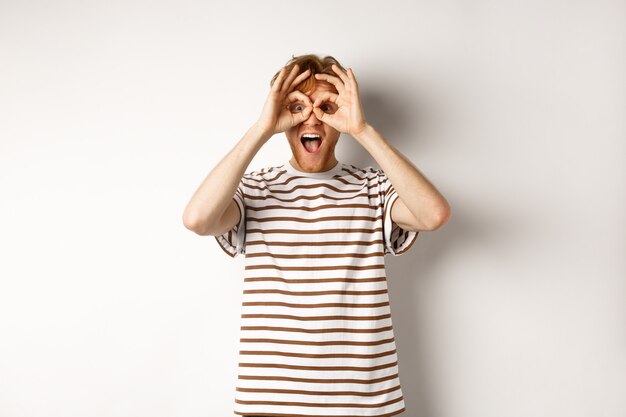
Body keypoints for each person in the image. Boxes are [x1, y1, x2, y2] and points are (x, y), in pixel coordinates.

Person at [183, 54, 450, 417]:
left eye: (326, 107)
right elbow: (197, 219)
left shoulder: (373, 188)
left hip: (365, 405)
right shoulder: (256, 189)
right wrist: (261, 128)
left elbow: (433, 214)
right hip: (271, 403)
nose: (311, 117)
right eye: (296, 106)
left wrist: (363, 130)